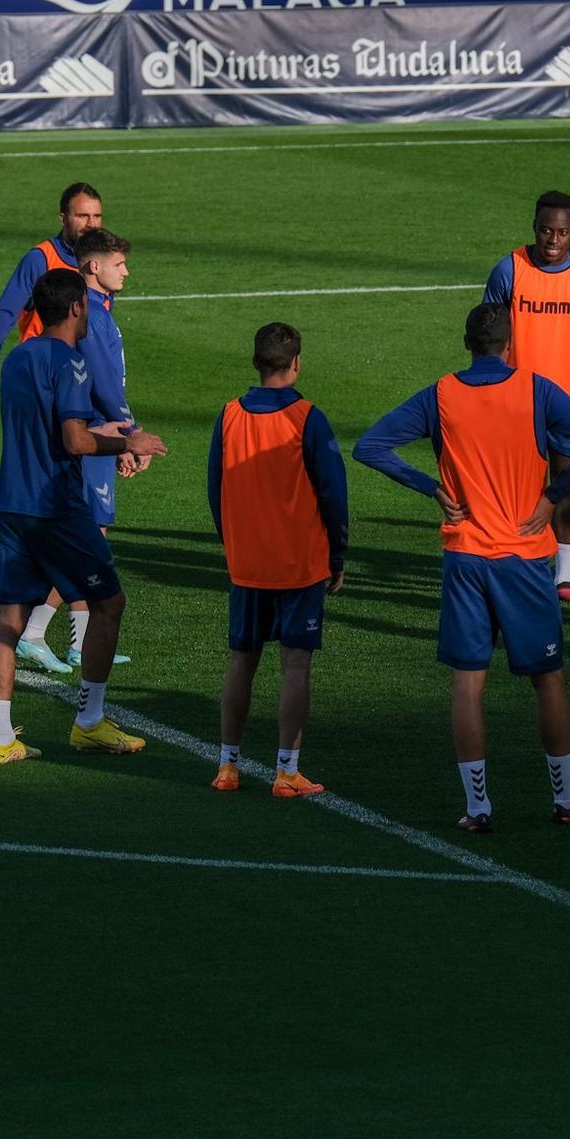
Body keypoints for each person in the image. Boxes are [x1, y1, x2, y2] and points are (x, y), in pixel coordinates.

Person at [353, 302, 570, 832]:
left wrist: (432, 488)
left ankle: (477, 809)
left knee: (468, 686)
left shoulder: (441, 395)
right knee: (548, 680)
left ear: (467, 342)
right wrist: (553, 496)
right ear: (509, 344)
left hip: (465, 556)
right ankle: (566, 802)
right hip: (523, 558)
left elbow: (371, 446)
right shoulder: (536, 389)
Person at [0, 270, 166, 766]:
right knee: (109, 603)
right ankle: (89, 722)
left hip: (13, 503)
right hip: (56, 507)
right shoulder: (72, 363)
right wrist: (129, 441)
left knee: (9, 621)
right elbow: (75, 442)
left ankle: (1, 739)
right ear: (76, 308)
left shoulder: (18, 358)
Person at [207, 322, 348, 798]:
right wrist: (339, 552)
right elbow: (333, 492)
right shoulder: (309, 418)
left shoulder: (228, 415)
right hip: (298, 563)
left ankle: (227, 766)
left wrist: (234, 543)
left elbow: (215, 488)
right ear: (296, 363)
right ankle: (286, 771)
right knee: (295, 665)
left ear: (255, 362)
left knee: (241, 661)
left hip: (247, 562)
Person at [481, 191, 570, 608]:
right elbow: (488, 332)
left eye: (561, 232)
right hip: (517, 397)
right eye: (545, 230)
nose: (553, 240)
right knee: (516, 488)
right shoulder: (509, 269)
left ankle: (564, 577)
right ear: (534, 228)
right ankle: (515, 569)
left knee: (566, 485)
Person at [16, 229, 137, 673]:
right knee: (84, 539)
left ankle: (80, 642)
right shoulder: (91, 314)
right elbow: (102, 381)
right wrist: (128, 434)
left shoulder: (101, 309)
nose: (126, 270)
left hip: (98, 431)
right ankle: (32, 632)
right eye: (119, 263)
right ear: (94, 266)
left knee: (95, 536)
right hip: (90, 432)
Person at [0, 182, 103, 394]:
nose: (91, 224)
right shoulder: (40, 259)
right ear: (63, 218)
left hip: (85, 373)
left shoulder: (105, 262)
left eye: (96, 216)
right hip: (43, 371)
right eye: (82, 216)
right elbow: (6, 310)